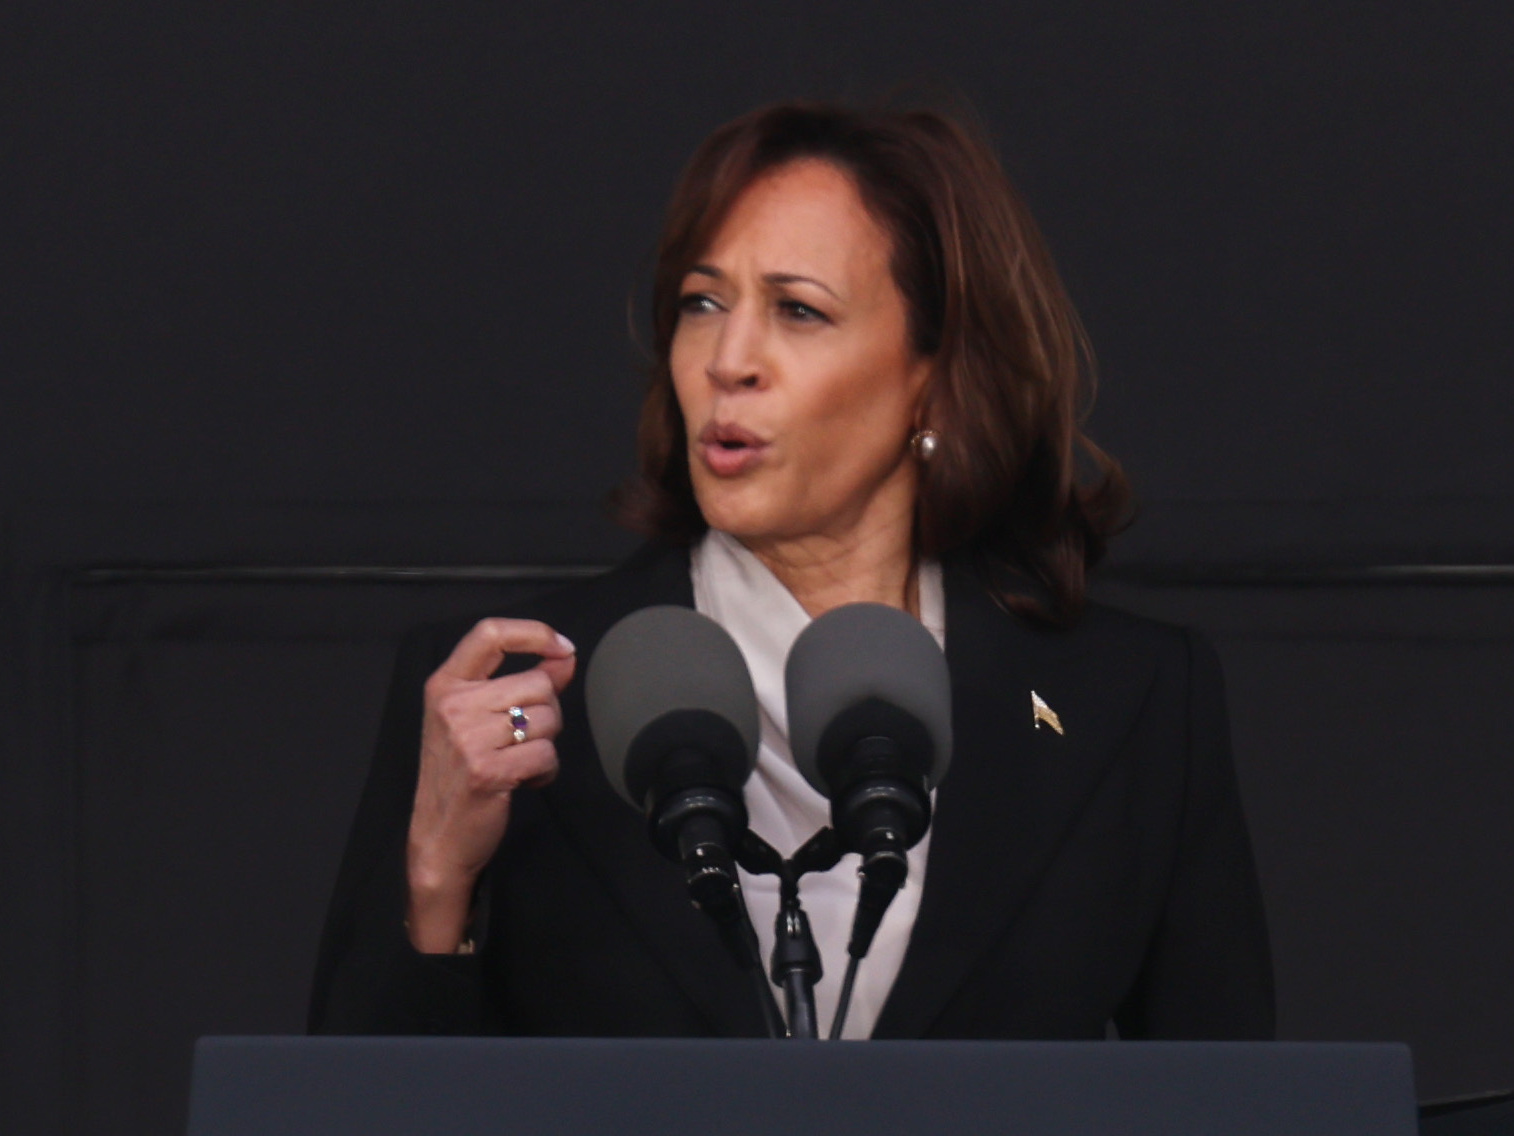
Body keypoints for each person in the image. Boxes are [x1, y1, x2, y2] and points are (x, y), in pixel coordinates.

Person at [309, 100, 1274, 1040]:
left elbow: (1235, 1107)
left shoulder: (1134, 701)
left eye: (798, 311)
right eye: (702, 303)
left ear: (933, 375)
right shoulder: (500, 703)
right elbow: (344, 1112)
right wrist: (438, 882)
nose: (729, 360)